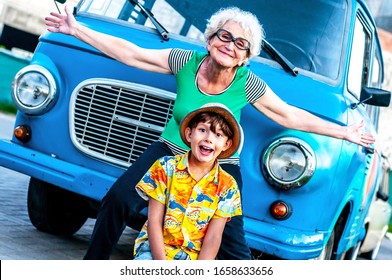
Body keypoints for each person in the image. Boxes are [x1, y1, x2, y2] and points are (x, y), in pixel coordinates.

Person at [45, 5, 375, 260]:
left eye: (241, 44)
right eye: (224, 36)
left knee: (232, 240)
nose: (230, 45)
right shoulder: (185, 61)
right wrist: (77, 30)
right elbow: (131, 53)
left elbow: (288, 114)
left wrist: (344, 132)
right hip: (171, 149)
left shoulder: (248, 83)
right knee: (117, 200)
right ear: (210, 39)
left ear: (247, 57)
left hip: (220, 165)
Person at [134, 103, 242, 260]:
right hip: (155, 251)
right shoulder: (165, 167)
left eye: (218, 135)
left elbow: (214, 237)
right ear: (189, 134)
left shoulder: (228, 185)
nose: (208, 139)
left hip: (194, 258)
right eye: (202, 130)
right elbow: (154, 221)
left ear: (226, 144)